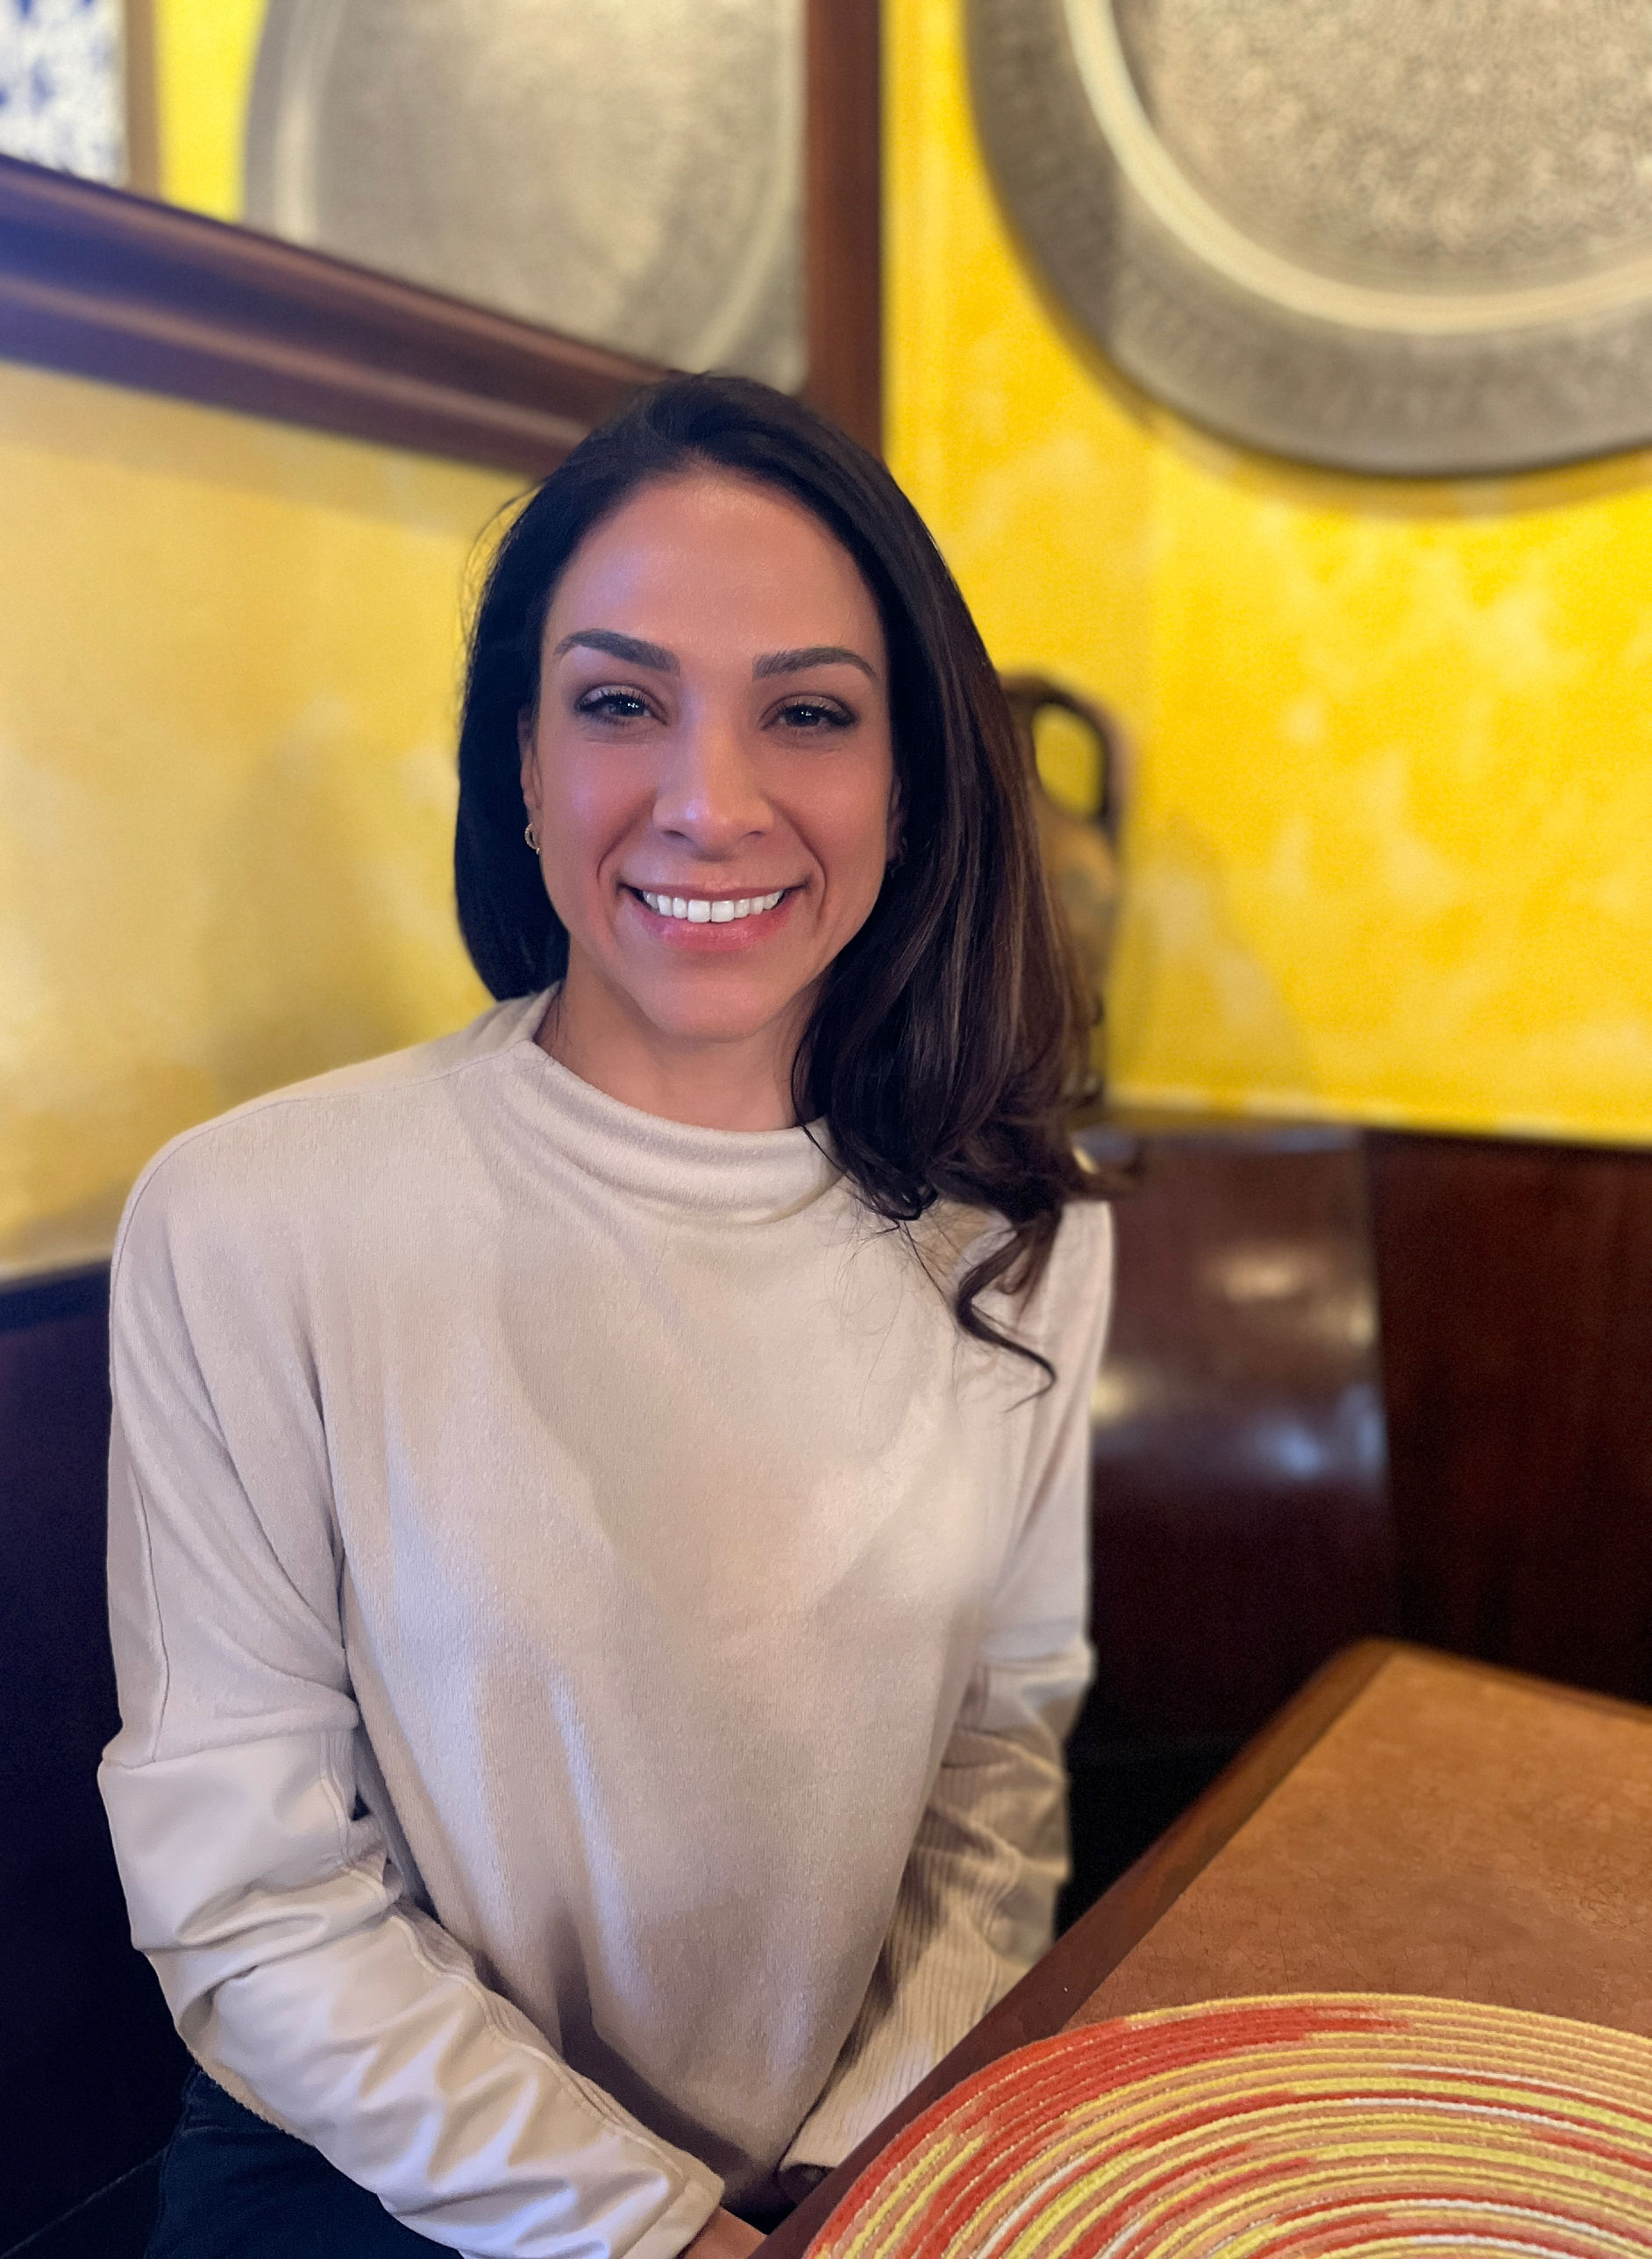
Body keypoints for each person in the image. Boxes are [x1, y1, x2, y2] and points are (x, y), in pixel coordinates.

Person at [100, 374, 1114, 2259]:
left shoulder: (1022, 1236)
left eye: (807, 712)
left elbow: (999, 1752)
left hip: (854, 2160)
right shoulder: (251, 1218)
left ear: (910, 784)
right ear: (523, 762)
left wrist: (860, 2168)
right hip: (371, 2178)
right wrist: (660, 2233)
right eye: (621, 703)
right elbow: (252, 1894)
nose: (709, 803)